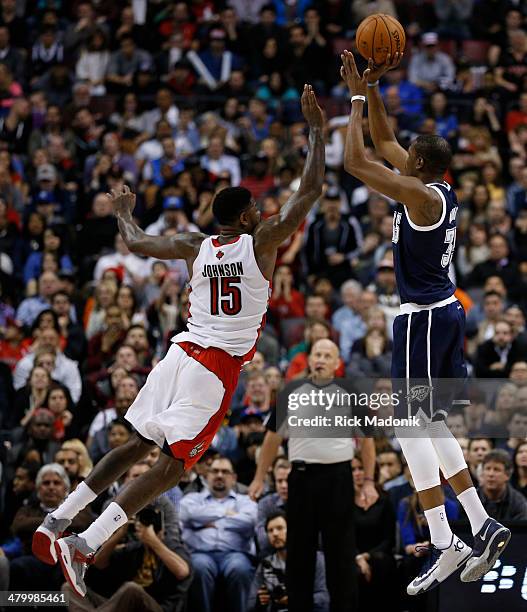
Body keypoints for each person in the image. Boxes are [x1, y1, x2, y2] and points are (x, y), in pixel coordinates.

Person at [32, 85, 325, 598]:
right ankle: (85, 543)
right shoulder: (262, 242)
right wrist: (318, 131)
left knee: (135, 444)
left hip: (179, 351)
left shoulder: (196, 245)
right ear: (249, 215)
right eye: (256, 208)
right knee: (173, 465)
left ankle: (57, 519)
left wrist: (123, 210)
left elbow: (138, 241)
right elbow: (312, 191)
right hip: (216, 367)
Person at [340, 50, 510, 595]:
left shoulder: (415, 195)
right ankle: (469, 530)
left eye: (407, 154)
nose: (401, 153)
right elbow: (387, 143)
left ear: (417, 166)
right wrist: (376, 86)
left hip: (424, 318)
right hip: (443, 315)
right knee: (426, 426)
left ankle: (459, 534)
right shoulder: (433, 186)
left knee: (415, 427)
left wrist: (357, 98)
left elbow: (359, 163)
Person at [249, 338, 378, 612]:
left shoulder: (350, 392)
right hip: (302, 478)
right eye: (316, 354)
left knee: (340, 555)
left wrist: (368, 481)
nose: (320, 359)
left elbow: (367, 441)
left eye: (326, 355)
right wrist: (260, 477)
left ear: (337, 363)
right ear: (309, 360)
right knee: (299, 554)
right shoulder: (292, 391)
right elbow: (272, 438)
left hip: (339, 478)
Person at [180, 456, 257, 612]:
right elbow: (188, 514)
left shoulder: (245, 501)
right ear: (207, 476)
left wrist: (206, 521)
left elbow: (249, 521)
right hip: (200, 553)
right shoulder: (191, 499)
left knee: (239, 568)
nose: (220, 475)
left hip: (235, 554)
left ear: (234, 478)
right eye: (215, 471)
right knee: (199, 567)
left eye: (225, 472)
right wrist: (226, 513)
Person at [248, 511, 329, 612]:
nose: (275, 534)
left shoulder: (315, 559)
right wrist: (260, 602)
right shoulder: (265, 564)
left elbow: (324, 599)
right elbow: (250, 605)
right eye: (270, 530)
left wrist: (295, 600)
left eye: (280, 528)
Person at [477, 450, 527, 520]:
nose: (491, 474)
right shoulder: (471, 500)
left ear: (507, 475)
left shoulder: (519, 503)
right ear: (482, 473)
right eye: (488, 469)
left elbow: (520, 530)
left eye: (496, 470)